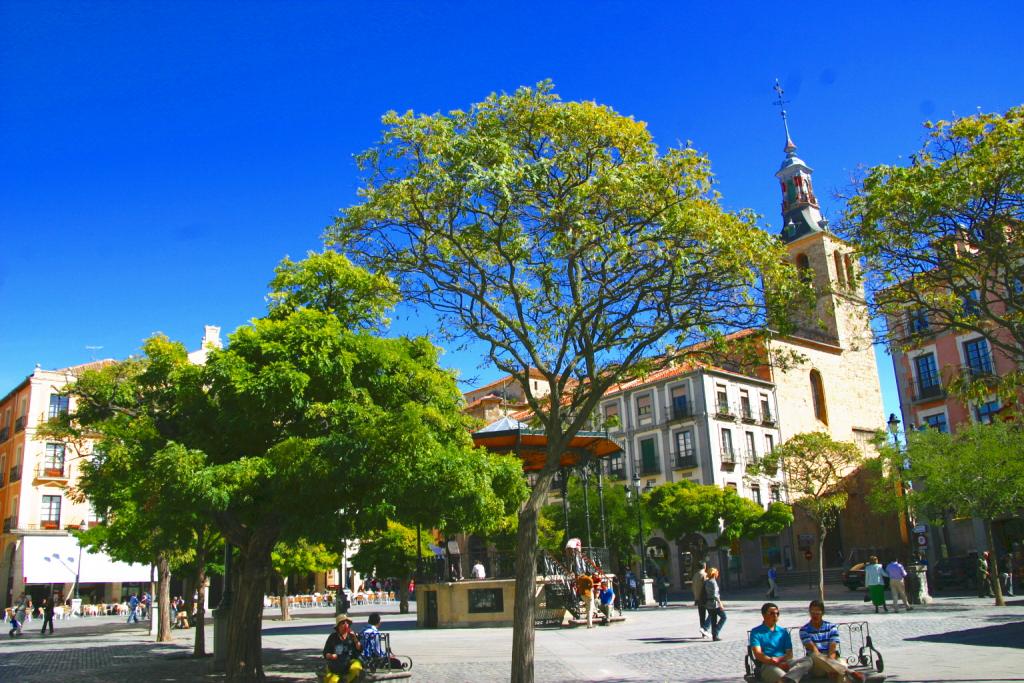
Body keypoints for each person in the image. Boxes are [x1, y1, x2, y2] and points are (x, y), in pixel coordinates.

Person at [797, 600, 866, 682]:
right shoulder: (804, 630)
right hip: (817, 666)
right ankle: (850, 672)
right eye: (812, 612)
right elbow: (813, 649)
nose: (814, 615)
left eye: (817, 612)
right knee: (813, 655)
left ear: (822, 613)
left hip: (832, 659)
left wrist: (830, 666)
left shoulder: (831, 627)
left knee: (842, 669)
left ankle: (838, 670)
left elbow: (832, 648)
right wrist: (830, 665)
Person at [748, 602, 794, 682]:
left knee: (806, 662)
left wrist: (780, 660)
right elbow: (758, 654)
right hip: (767, 665)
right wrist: (776, 663)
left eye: (777, 613)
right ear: (764, 615)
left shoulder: (783, 631)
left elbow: (789, 654)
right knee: (785, 679)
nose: (775, 615)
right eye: (772, 613)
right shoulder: (756, 632)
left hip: (784, 662)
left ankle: (792, 676)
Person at [323, 614, 363, 683]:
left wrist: (355, 639)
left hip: (350, 661)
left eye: (347, 623)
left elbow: (359, 649)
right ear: (338, 626)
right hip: (336, 665)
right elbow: (326, 652)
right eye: (343, 623)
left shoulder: (353, 635)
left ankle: (346, 680)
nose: (346, 625)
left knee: (356, 667)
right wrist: (331, 656)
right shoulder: (333, 637)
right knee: (332, 681)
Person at [703, 567, 726, 641]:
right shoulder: (713, 582)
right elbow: (715, 595)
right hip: (714, 604)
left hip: (708, 604)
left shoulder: (706, 582)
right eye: (717, 573)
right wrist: (720, 603)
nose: (718, 574)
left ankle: (715, 636)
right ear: (714, 574)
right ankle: (716, 632)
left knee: (713, 620)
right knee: (724, 617)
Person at [692, 561, 709, 638]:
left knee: (702, 616)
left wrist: (696, 597)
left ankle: (703, 632)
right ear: (704, 566)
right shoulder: (704, 575)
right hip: (705, 598)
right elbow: (707, 587)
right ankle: (705, 629)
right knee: (712, 614)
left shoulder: (695, 575)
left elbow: (694, 587)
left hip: (698, 598)